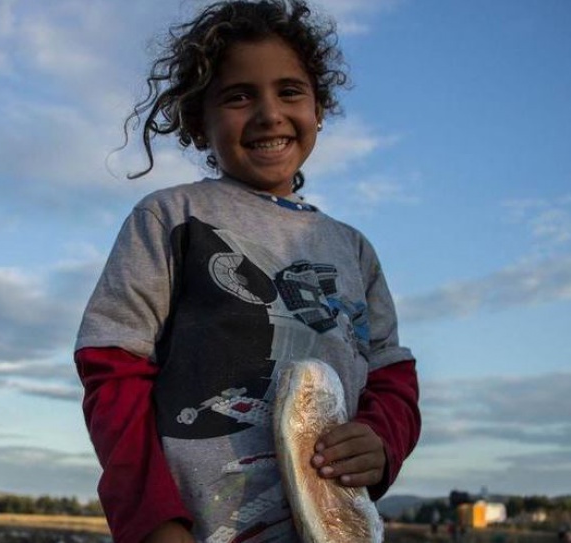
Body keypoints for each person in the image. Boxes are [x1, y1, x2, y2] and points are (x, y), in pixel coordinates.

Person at [74, 1, 421, 541]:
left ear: (319, 108)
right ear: (198, 121)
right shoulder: (171, 218)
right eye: (239, 96)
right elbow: (112, 369)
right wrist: (155, 521)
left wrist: (381, 440)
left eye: (290, 91)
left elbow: (391, 377)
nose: (269, 114)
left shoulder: (354, 251)